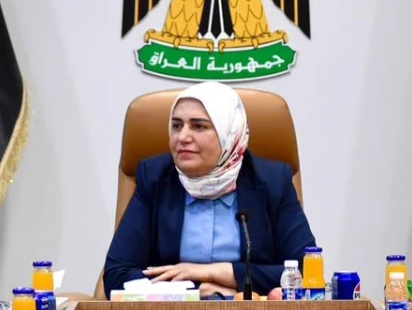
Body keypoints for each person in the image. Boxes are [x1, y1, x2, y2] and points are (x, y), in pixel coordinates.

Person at [102, 82, 315, 297]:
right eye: (176, 125)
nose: (183, 137)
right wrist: (197, 290)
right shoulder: (155, 178)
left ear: (229, 133)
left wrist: (219, 272)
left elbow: (306, 272)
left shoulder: (272, 181)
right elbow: (117, 275)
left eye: (198, 126)